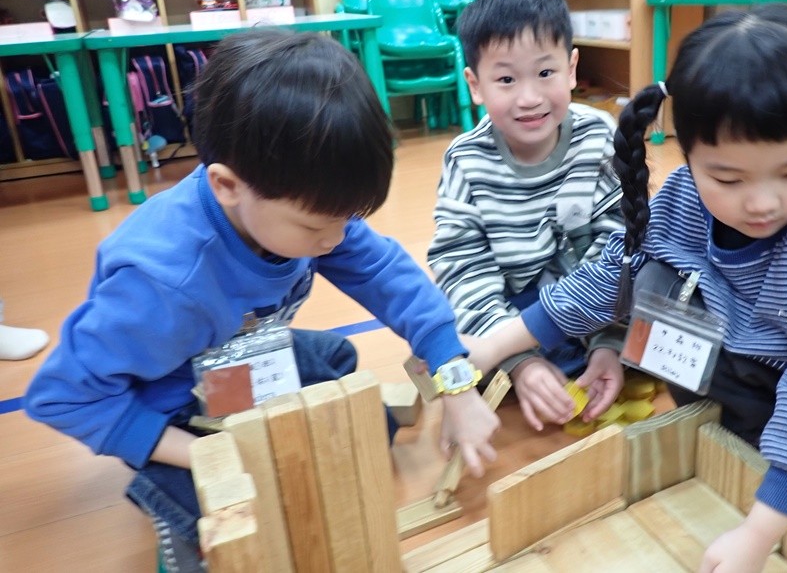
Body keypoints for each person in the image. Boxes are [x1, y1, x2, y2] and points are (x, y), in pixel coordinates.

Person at [467, 5, 787, 571]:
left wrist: (758, 533)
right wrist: (495, 345)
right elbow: (609, 277)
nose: (762, 203)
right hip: (778, 364)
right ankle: (757, 452)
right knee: (656, 286)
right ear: (689, 153)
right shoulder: (682, 198)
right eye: (727, 178)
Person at [24, 30, 500, 572]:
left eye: (346, 221)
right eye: (316, 227)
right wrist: (207, 455)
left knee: (355, 409)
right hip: (176, 403)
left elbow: (385, 273)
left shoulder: (300, 203)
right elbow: (64, 398)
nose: (336, 240)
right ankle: (170, 503)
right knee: (251, 515)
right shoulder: (162, 283)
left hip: (237, 360)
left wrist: (456, 381)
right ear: (227, 186)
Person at [429, 0, 626, 431]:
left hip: (585, 301)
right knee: (441, 331)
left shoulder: (598, 137)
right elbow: (462, 267)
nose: (530, 98)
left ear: (571, 69)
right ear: (475, 85)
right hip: (509, 307)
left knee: (662, 303)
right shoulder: (466, 161)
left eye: (545, 73)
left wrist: (609, 343)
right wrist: (519, 360)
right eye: (505, 79)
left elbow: (617, 250)